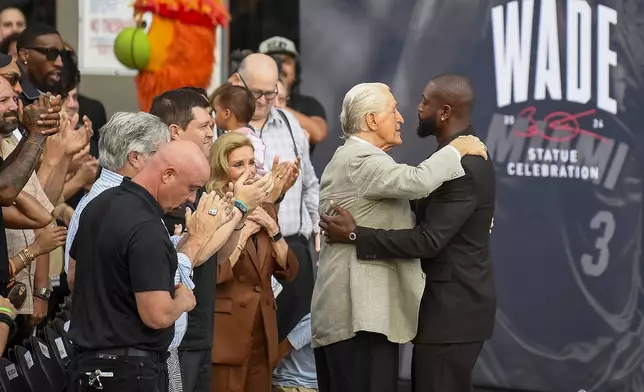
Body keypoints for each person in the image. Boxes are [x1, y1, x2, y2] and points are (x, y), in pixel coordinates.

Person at [321, 75, 496, 392]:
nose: (408, 113)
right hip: (364, 317)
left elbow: (428, 238)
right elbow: (417, 184)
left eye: (424, 102)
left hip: (452, 312)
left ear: (443, 112)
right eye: (394, 110)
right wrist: (455, 149)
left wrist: (355, 235)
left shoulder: (463, 165)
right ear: (372, 120)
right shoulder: (364, 159)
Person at [66, 140, 226, 392]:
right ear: (168, 174)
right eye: (191, 189)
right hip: (130, 373)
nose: (191, 200)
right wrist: (183, 300)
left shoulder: (98, 203)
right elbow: (157, 314)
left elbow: (74, 278)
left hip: (88, 366)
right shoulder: (147, 227)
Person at [231, 53, 319, 345]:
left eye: (272, 93)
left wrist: (316, 229)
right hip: (240, 251)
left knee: (290, 334)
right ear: (236, 83)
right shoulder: (222, 125)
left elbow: (309, 183)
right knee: (245, 340)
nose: (265, 100)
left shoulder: (290, 124)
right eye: (257, 93)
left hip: (289, 245)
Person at [208, 132, 299, 392]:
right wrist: (242, 231)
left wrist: (273, 229)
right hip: (227, 334)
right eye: (239, 165)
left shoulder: (265, 207)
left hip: (263, 328)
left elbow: (289, 271)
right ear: (222, 170)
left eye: (251, 163)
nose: (248, 171)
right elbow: (215, 273)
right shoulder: (213, 208)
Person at [0, 54, 61, 294]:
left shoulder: (10, 137)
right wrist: (36, 135)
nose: (16, 101)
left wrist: (33, 133)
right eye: (5, 98)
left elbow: (43, 215)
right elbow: (5, 190)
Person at [258, 36, 328, 151]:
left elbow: (318, 133)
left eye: (285, 61)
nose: (279, 66)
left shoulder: (308, 104)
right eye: (272, 60)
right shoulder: (249, 101)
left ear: (296, 70)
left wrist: (278, 106)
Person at [211, 83, 267, 175]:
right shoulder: (254, 139)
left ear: (226, 113)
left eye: (216, 111)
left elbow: (258, 167)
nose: (214, 116)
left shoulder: (250, 141)